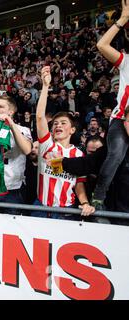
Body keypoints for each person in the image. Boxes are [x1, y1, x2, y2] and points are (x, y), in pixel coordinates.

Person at [33, 66, 95, 219]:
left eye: (63, 123)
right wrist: (46, 86)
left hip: (65, 211)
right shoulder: (47, 145)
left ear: (72, 130)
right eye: (55, 123)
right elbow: (40, 117)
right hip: (40, 207)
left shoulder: (79, 153)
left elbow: (79, 183)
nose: (58, 125)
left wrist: (85, 203)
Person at [93, 0, 129, 210]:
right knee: (115, 154)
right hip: (119, 119)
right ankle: (98, 196)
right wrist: (122, 20)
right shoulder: (126, 60)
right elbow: (101, 45)